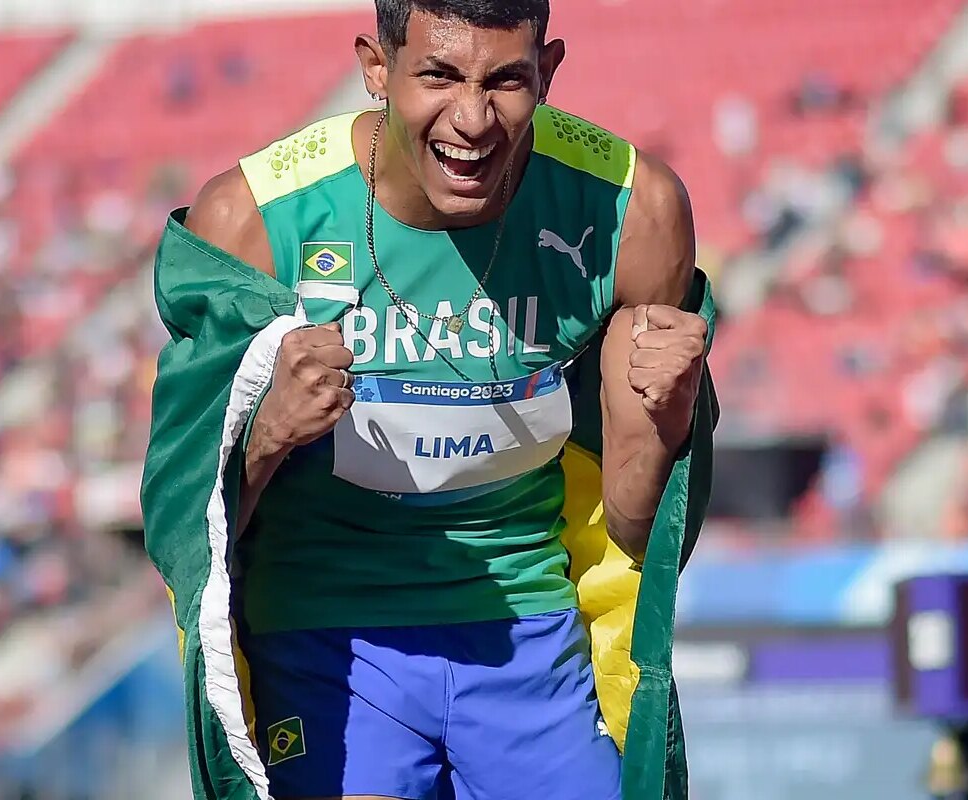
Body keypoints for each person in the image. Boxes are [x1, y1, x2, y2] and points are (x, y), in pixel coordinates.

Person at [178, 1, 708, 798]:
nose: (472, 119)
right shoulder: (254, 220)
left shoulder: (630, 212)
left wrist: (670, 417)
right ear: (376, 68)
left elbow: (634, 530)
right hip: (324, 640)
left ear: (549, 72)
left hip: (531, 636)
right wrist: (264, 436)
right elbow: (191, 536)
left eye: (506, 81)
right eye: (438, 74)